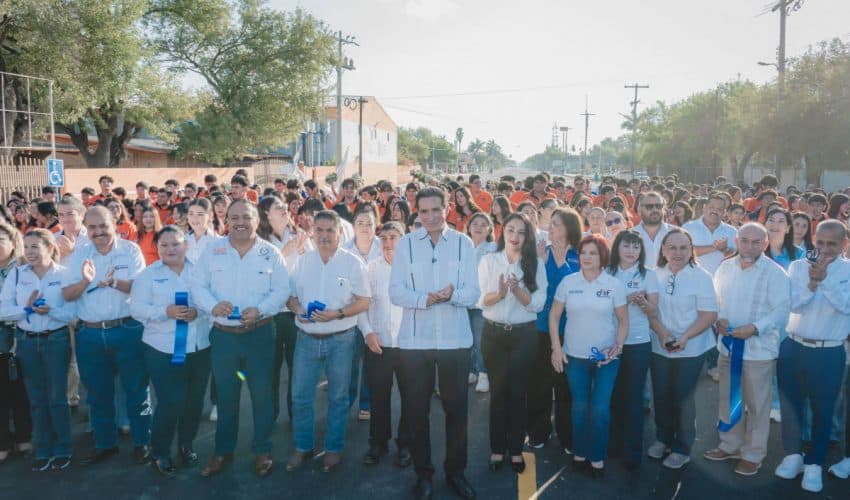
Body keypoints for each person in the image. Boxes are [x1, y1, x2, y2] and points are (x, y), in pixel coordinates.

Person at [389, 186, 480, 500]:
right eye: (424, 211)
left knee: (457, 411)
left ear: (447, 209)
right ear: (417, 212)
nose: (430, 217)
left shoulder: (464, 243)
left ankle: (456, 472)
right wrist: (425, 299)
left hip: (455, 341)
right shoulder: (405, 245)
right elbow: (396, 292)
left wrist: (451, 296)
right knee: (416, 412)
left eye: (436, 210)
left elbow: (473, 293)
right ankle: (423, 475)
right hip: (415, 343)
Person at [191, 199, 288, 478]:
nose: (240, 222)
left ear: (257, 220)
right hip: (224, 339)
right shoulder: (213, 251)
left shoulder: (271, 253)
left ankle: (263, 450)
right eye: (234, 217)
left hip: (260, 335)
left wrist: (261, 309)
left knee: (262, 396)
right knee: (226, 397)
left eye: (246, 217)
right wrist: (212, 306)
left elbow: (281, 290)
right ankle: (223, 451)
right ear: (226, 221)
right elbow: (197, 285)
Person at [61, 206, 150, 466]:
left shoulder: (130, 250)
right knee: (98, 395)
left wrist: (113, 282)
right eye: (92, 227)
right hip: (90, 334)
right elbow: (67, 294)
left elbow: (141, 288)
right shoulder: (79, 255)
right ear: (86, 229)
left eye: (103, 226)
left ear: (115, 223)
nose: (98, 232)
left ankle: (142, 442)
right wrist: (85, 281)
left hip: (127, 330)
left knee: (136, 390)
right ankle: (105, 444)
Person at [285, 210, 370, 473]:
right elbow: (291, 297)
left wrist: (338, 313)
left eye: (329, 230)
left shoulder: (353, 263)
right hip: (306, 339)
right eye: (319, 230)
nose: (324, 235)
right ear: (312, 232)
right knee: (300, 397)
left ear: (339, 232)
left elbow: (364, 301)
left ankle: (333, 448)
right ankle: (303, 446)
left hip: (341, 340)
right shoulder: (303, 261)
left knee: (338, 397)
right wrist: (298, 309)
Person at [704, 223, 790, 476]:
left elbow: (782, 311)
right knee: (729, 398)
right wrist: (719, 319)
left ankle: (753, 454)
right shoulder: (725, 268)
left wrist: (754, 328)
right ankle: (730, 445)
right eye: (745, 241)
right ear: (737, 241)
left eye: (756, 242)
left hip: (759, 351)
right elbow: (716, 300)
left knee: (757, 405)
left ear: (765, 243)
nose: (750, 246)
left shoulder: (775, 273)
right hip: (728, 348)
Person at [774, 220, 850, 493]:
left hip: (829, 351)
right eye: (820, 242)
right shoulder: (797, 267)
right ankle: (793, 455)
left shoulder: (848, 270)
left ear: (844, 244)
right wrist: (812, 283)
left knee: (823, 409)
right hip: (793, 346)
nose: (825, 249)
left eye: (832, 244)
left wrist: (825, 281)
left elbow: (846, 307)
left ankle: (815, 462)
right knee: (791, 405)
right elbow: (793, 305)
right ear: (814, 240)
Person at [130, 226, 210, 477]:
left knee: (194, 402)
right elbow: (136, 309)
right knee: (170, 402)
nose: (170, 249)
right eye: (164, 245)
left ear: (186, 245)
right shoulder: (148, 275)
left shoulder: (200, 271)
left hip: (199, 348)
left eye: (175, 244)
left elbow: (211, 300)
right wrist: (165, 312)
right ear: (157, 248)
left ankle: (186, 445)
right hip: (162, 350)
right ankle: (160, 451)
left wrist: (199, 311)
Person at [549, 234, 627, 477]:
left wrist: (617, 347)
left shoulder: (614, 285)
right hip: (575, 357)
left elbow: (623, 321)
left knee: (600, 409)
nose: (587, 257)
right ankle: (580, 453)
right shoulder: (568, 282)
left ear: (602, 256)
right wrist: (556, 348)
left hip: (606, 359)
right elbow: (554, 316)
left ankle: (597, 457)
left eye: (593, 253)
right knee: (580, 407)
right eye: (583, 252)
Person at [1, 229, 75, 472]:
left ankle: (63, 448)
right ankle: (43, 449)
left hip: (56, 340)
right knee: (36, 399)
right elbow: (3, 310)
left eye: (35, 246)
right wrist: (27, 310)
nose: (29, 252)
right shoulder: (16, 274)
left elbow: (73, 314)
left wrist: (50, 311)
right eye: (27, 247)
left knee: (57, 398)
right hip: (26, 342)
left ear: (50, 248)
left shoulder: (64, 274)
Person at [478, 213, 546, 473]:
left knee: (518, 394)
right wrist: (500, 294)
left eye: (521, 232)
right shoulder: (489, 260)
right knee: (498, 393)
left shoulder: (535, 264)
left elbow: (537, 304)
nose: (515, 236)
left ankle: (516, 449)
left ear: (527, 236)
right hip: (493, 335)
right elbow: (481, 300)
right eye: (510, 230)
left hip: (523, 336)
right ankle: (497, 448)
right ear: (502, 231)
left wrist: (517, 291)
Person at [645, 228, 718, 470]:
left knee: (683, 397)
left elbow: (708, 315)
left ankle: (682, 448)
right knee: (661, 394)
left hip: (692, 348)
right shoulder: (654, 275)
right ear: (663, 250)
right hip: (660, 345)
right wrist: (662, 333)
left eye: (683, 247)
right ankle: (663, 438)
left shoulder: (702, 277)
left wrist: (685, 337)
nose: (678, 253)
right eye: (672, 248)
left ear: (691, 250)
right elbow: (650, 312)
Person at [358, 221, 412, 467]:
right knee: (379, 398)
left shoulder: (413, 268)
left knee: (410, 398)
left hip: (409, 346)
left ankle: (406, 444)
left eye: (393, 237)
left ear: (403, 239)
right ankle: (378, 444)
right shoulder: (370, 269)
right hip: (378, 345)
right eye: (384, 238)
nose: (388, 243)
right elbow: (362, 306)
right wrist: (368, 333)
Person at [527, 207, 581, 453]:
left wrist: (560, 264)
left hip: (569, 331)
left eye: (556, 223)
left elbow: (578, 290)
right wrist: (540, 262)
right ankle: (538, 431)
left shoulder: (580, 256)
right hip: (540, 329)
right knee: (538, 384)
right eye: (551, 223)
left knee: (565, 387)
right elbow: (534, 288)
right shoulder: (542, 252)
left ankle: (568, 436)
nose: (550, 227)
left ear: (569, 227)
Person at [606, 230, 659, 470]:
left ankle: (632, 452)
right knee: (613, 396)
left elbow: (654, 311)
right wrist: (623, 300)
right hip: (611, 342)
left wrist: (643, 303)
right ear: (617, 247)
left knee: (633, 398)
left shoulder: (649, 275)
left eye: (636, 247)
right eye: (626, 246)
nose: (631, 251)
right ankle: (613, 445)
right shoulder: (607, 273)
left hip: (638, 343)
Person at [256, 196, 308, 423]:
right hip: (271, 315)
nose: (285, 209)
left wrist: (303, 251)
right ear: (266, 214)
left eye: (285, 206)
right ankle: (269, 416)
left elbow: (310, 269)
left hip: (295, 312)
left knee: (298, 370)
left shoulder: (299, 235)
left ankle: (297, 416)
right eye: (278, 207)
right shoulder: (258, 242)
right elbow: (259, 275)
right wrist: (284, 252)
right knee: (270, 371)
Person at [343, 207, 382, 420]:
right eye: (360, 223)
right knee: (349, 364)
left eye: (369, 223)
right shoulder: (345, 250)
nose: (365, 228)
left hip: (377, 315)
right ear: (353, 226)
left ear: (376, 225)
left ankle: (366, 403)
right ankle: (346, 402)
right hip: (351, 315)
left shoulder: (383, 247)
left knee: (371, 363)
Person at [0, 223, 32, 464]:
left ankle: (24, 436)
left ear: (13, 242)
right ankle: (3, 441)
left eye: (1, 240)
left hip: (21, 331)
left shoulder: (24, 268)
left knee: (21, 389)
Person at [466, 213, 497, 393]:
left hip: (481, 304)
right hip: (463, 302)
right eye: (475, 223)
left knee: (480, 341)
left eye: (483, 224)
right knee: (467, 340)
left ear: (489, 229)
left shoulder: (494, 248)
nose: (478, 227)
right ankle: (471, 370)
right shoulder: (463, 247)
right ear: (469, 227)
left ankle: (484, 374)